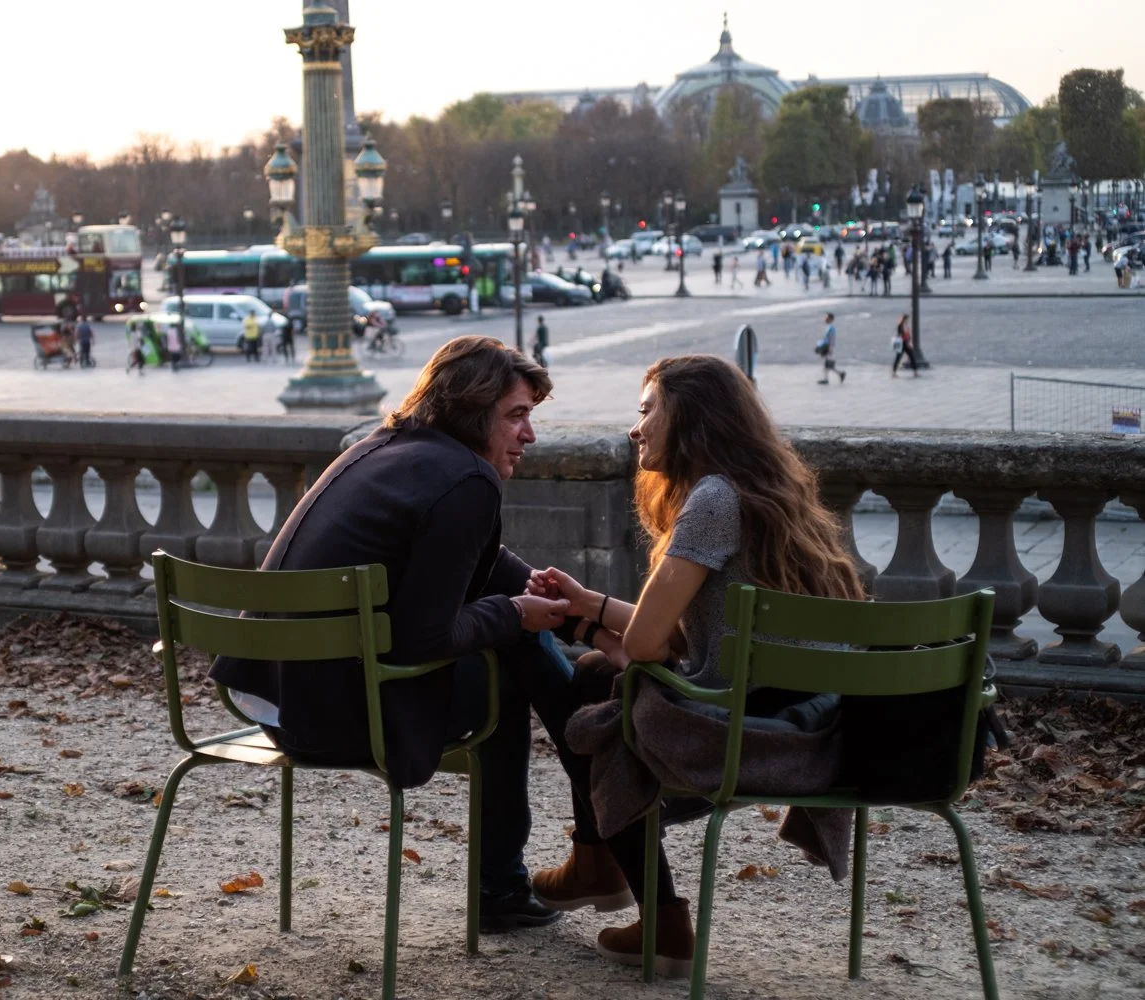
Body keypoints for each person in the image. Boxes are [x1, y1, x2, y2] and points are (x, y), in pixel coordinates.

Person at [210, 336, 584, 932]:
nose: (530, 435)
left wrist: (561, 605)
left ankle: (583, 819)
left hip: (271, 697)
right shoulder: (468, 481)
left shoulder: (379, 448)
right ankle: (537, 858)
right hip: (328, 717)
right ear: (473, 410)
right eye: (517, 415)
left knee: (511, 642)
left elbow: (472, 562)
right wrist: (516, 613)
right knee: (508, 667)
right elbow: (422, 638)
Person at [525, 354, 863, 972]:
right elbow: (687, 636)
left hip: (743, 736)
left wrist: (593, 633)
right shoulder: (773, 494)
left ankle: (645, 907)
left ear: (690, 416)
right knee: (608, 675)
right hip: (819, 723)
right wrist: (590, 605)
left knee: (598, 680)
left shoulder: (712, 499)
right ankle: (600, 867)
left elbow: (649, 648)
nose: (636, 428)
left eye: (646, 409)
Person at [815, 312, 845, 384]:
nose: (825, 319)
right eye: (825, 318)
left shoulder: (831, 328)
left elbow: (832, 338)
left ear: (831, 319)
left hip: (827, 346)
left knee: (827, 363)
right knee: (826, 363)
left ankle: (831, 377)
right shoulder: (828, 327)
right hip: (825, 346)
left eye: (827, 318)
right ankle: (838, 374)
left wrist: (830, 348)